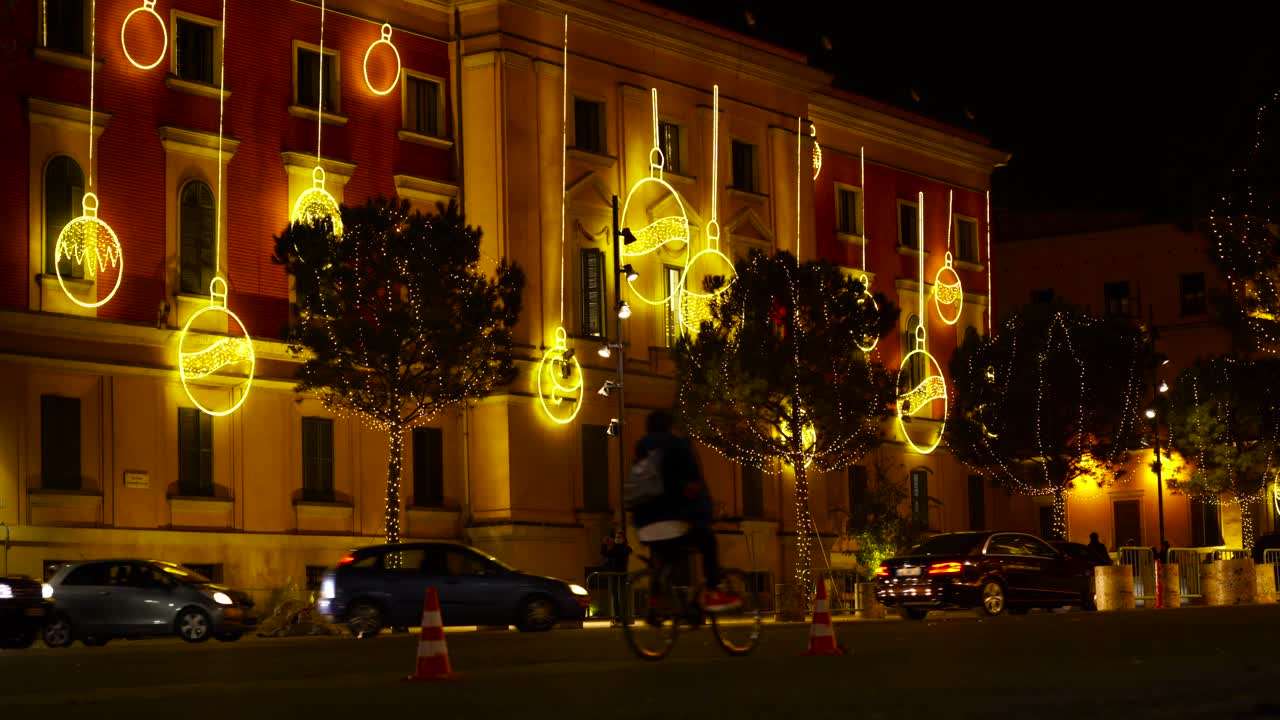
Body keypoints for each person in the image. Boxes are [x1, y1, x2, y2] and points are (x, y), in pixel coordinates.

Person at [630, 409, 738, 613]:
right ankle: (713, 592)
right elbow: (693, 486)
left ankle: (655, 604)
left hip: (644, 524)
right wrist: (703, 514)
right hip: (672, 519)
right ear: (669, 426)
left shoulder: (641, 449)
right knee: (707, 542)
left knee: (666, 560)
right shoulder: (678, 445)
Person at [600, 529, 631, 626]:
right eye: (616, 537)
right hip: (613, 575)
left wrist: (612, 545)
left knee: (622, 597)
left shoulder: (625, 548)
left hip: (622, 575)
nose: (617, 539)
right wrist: (604, 544)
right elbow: (605, 553)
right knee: (615, 597)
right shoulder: (614, 548)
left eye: (619, 537)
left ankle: (624, 618)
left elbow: (618, 554)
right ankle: (617, 619)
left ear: (624, 539)